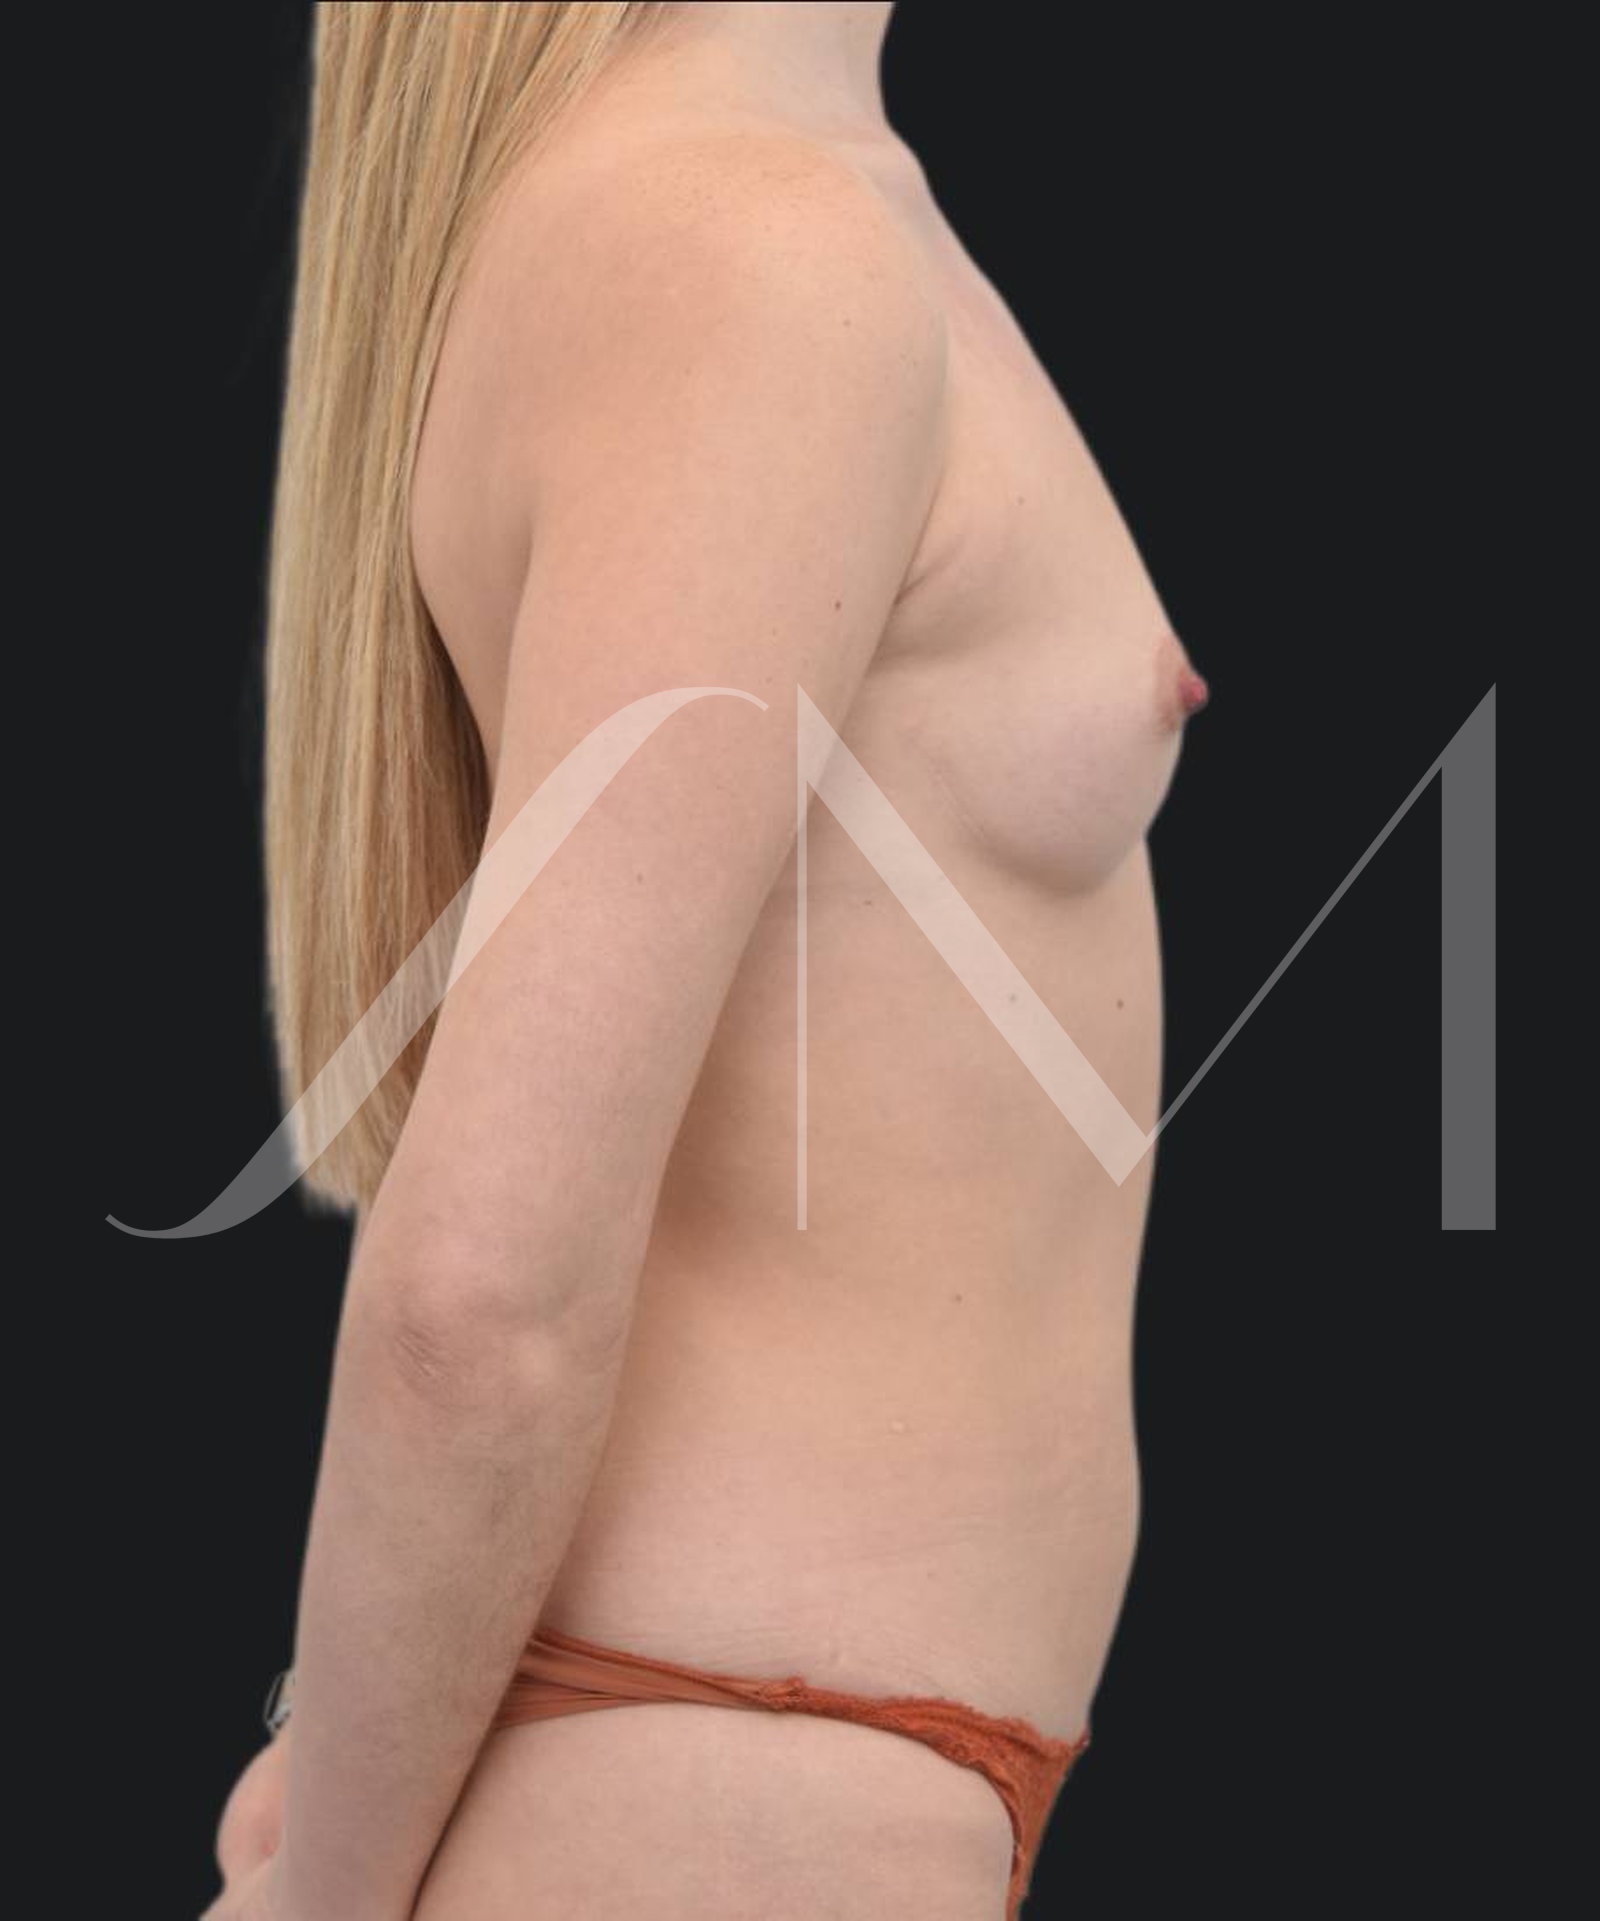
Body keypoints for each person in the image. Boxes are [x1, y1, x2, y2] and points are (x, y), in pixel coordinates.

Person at [207, 5, 1209, 1917]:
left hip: (739, 1776)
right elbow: (479, 1293)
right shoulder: (762, 256)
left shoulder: (775, 210)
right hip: (721, 1786)